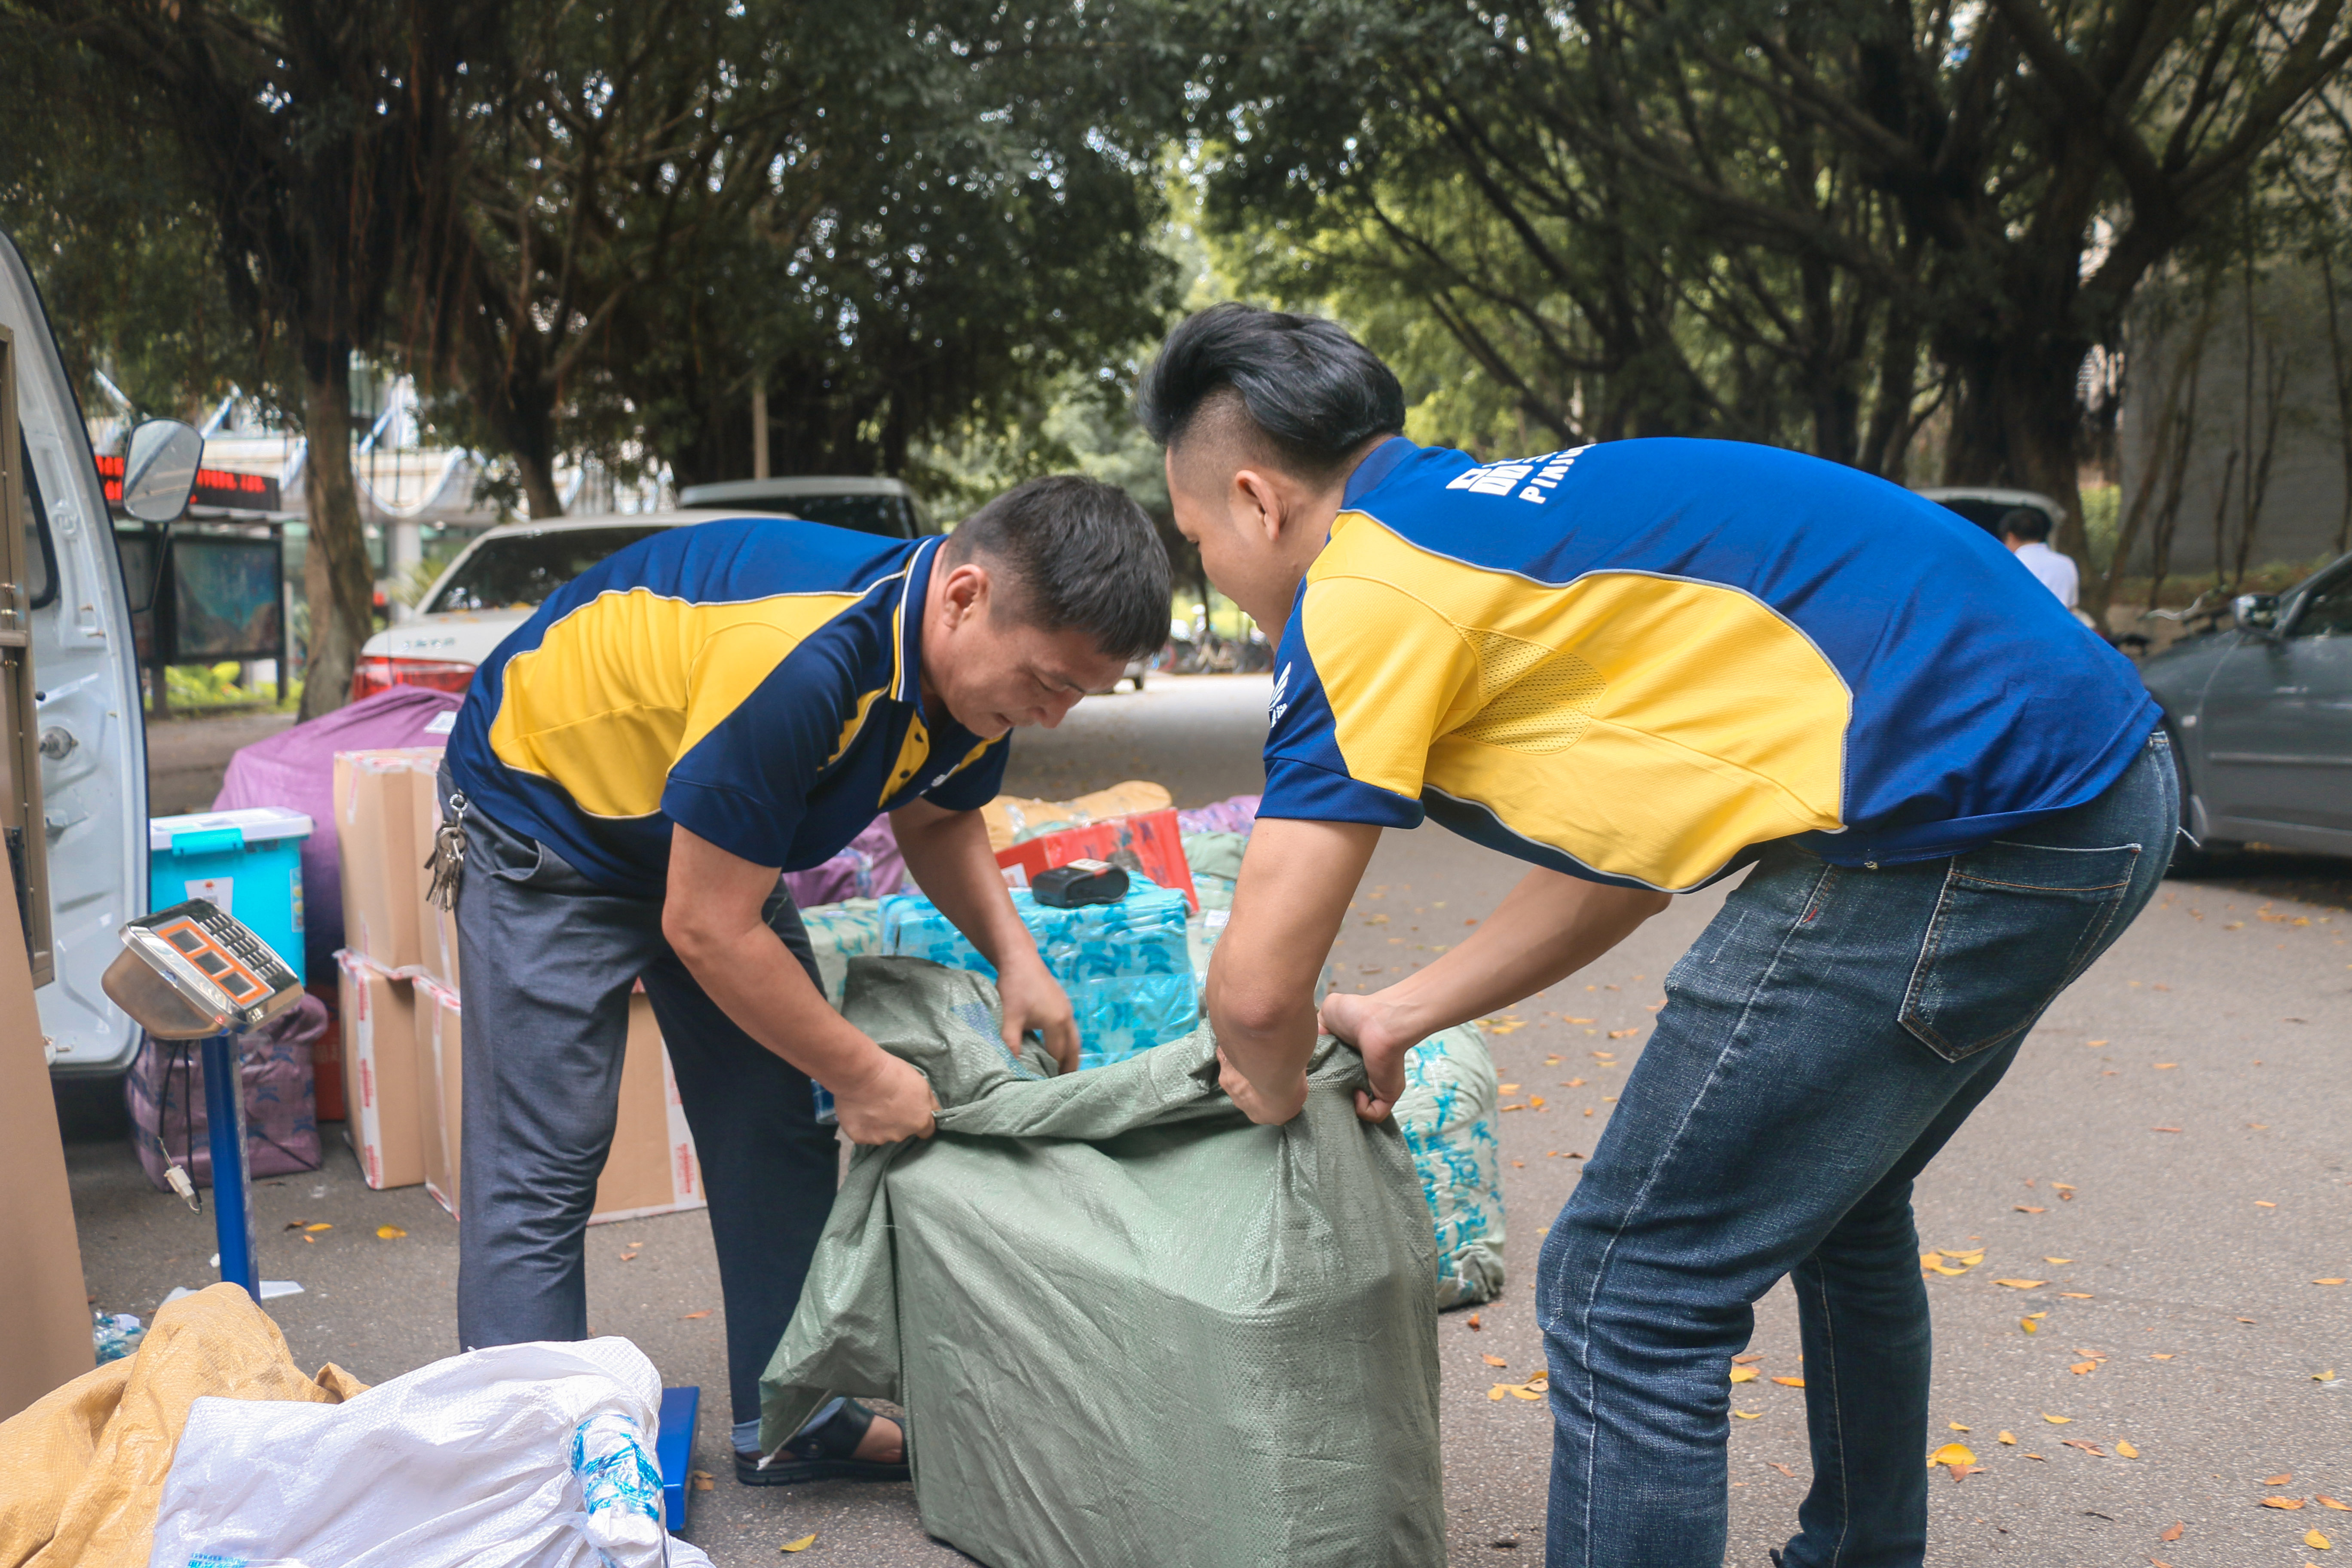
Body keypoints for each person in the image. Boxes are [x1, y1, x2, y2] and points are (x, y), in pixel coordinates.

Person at [1138, 303, 2173, 1568]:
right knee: (1841, 1204)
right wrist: (1401, 1010)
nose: (1216, 574)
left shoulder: (1364, 585)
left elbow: (1253, 995)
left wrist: (1237, 1113)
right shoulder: (1487, 526)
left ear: (1253, 499)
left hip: (1974, 816)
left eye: (1196, 542)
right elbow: (1625, 868)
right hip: (2098, 786)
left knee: (1628, 1287)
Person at [437, 476, 1170, 1485]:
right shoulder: (803, 663)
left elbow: (940, 815)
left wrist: (1018, 958)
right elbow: (705, 925)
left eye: (1075, 697)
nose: (1046, 717)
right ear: (961, 597)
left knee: (776, 1118)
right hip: (551, 817)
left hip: (700, 832)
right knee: (546, 1156)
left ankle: (788, 1417)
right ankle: (522, 1478)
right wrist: (867, 1075)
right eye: (1045, 683)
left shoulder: (966, 681)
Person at [2000, 505, 2080, 609]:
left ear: (2011, 537)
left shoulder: (2007, 565)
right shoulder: (2066, 564)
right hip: (2055, 624)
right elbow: (2071, 609)